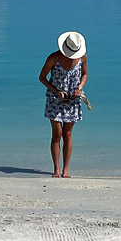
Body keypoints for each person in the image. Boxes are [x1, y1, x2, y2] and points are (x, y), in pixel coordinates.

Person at [40, 30, 87, 178]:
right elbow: (42, 77)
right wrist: (56, 91)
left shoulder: (82, 57)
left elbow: (85, 74)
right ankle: (56, 170)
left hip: (73, 100)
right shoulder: (54, 58)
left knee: (67, 134)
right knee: (57, 134)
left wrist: (79, 88)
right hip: (55, 99)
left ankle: (66, 170)